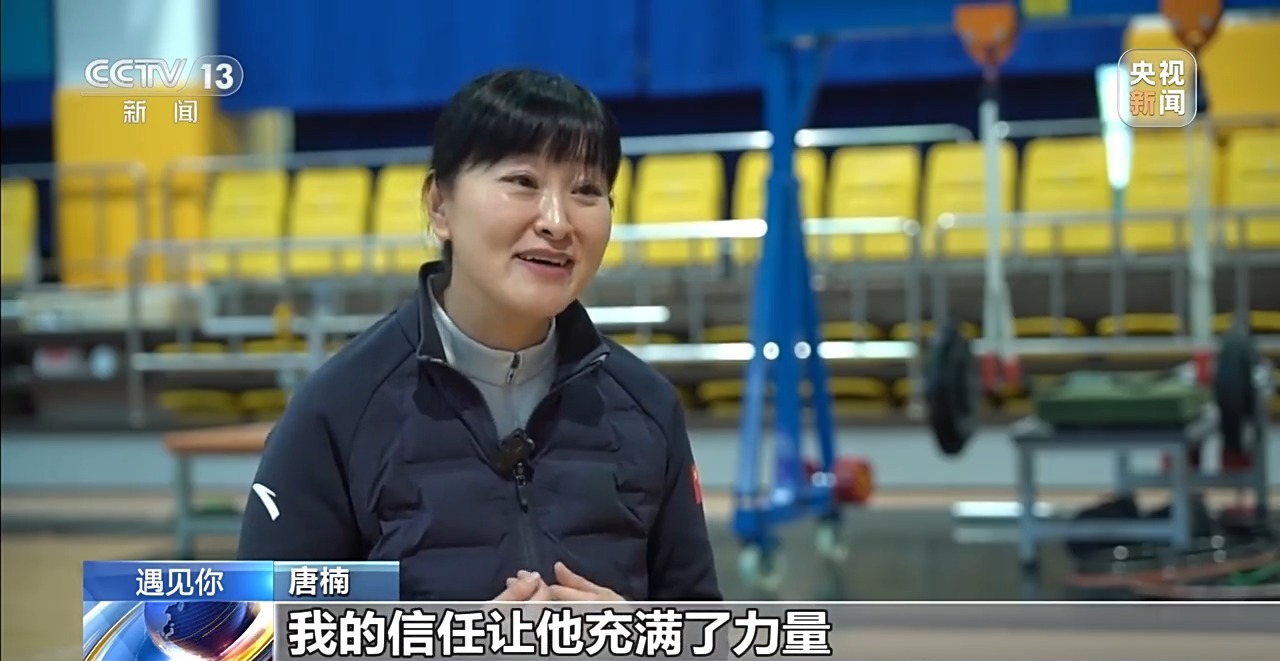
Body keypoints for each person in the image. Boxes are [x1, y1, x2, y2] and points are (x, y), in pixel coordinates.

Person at [236, 69, 722, 603]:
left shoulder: (648, 406)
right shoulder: (337, 410)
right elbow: (246, 634)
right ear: (439, 205)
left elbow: (706, 625)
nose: (557, 221)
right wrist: (450, 641)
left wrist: (640, 637)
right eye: (523, 182)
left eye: (586, 190)